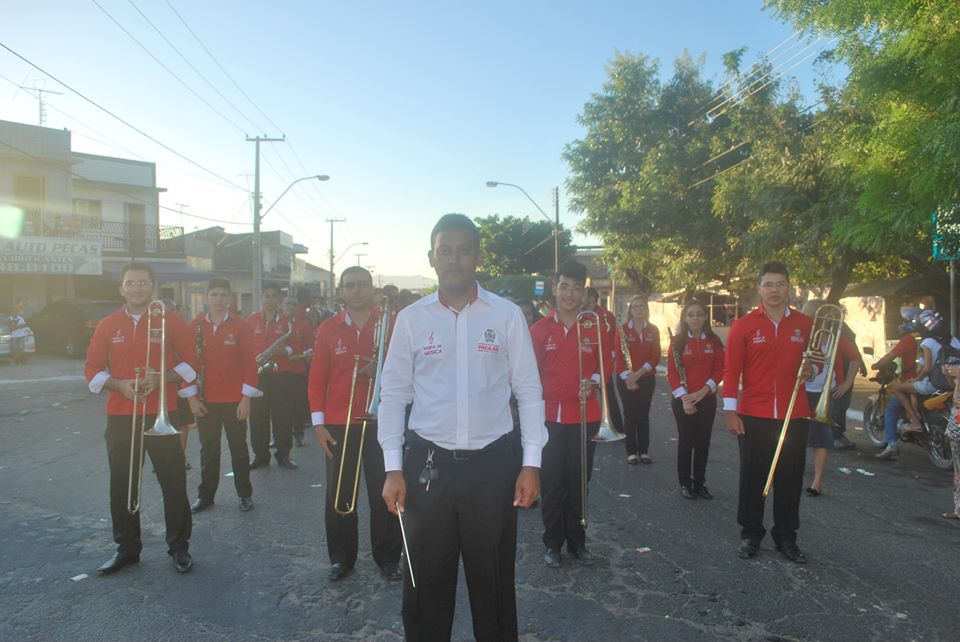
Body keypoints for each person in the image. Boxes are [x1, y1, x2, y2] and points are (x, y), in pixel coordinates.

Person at [379, 213, 546, 642]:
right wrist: (393, 469)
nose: (454, 258)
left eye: (464, 250)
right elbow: (393, 395)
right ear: (431, 257)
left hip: (493, 467)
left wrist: (531, 464)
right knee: (425, 585)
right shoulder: (412, 319)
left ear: (478, 256)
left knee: (493, 584)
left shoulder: (507, 316)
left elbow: (529, 392)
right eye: (445, 250)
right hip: (427, 467)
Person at [84, 262, 196, 575]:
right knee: (122, 484)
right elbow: (92, 369)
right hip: (122, 415)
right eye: (130, 283)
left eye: (142, 282)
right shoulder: (107, 324)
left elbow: (193, 363)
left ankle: (179, 548)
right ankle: (127, 549)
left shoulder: (171, 320)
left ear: (153, 287)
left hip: (163, 413)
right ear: (121, 289)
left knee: (174, 482)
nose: (136, 288)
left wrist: (162, 378)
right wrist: (119, 385)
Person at [310, 266, 403, 582]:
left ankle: (388, 557)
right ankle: (341, 557)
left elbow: (409, 367)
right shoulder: (328, 328)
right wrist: (318, 424)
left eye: (362, 284)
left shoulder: (390, 324)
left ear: (372, 289)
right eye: (350, 285)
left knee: (384, 490)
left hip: (382, 420)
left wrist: (381, 370)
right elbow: (316, 378)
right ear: (342, 291)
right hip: (339, 422)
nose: (356, 290)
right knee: (340, 494)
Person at [723, 261, 816, 564]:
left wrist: (812, 371)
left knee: (790, 477)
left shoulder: (805, 324)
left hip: (794, 414)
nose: (774, 290)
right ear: (759, 288)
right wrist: (730, 412)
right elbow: (732, 370)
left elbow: (818, 363)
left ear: (788, 286)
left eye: (780, 284)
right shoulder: (744, 325)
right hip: (754, 414)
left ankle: (786, 537)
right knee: (753, 477)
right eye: (768, 285)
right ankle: (750, 533)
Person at [531, 261, 611, 569]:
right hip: (549, 417)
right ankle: (552, 543)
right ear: (554, 288)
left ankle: (578, 542)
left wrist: (593, 380)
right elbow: (528, 375)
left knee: (579, 482)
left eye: (577, 288)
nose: (570, 294)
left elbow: (606, 364)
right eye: (564, 286)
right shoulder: (539, 330)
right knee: (552, 483)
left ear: (584, 293)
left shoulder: (594, 326)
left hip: (585, 415)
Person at [183, 278, 259, 514]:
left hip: (235, 401)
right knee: (208, 450)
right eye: (214, 294)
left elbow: (250, 364)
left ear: (229, 298)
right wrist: (191, 399)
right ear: (207, 297)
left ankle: (244, 495)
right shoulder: (195, 326)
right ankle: (205, 496)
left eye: (223, 295)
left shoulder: (241, 326)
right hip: (205, 400)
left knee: (239, 449)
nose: (218, 299)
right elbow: (186, 365)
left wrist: (246, 399)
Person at [799, 300, 861, 497]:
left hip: (826, 393)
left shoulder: (837, 339)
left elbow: (856, 358)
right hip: (801, 392)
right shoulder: (802, 337)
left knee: (822, 438)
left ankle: (817, 482)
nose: (827, 322)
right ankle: (792, 473)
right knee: (795, 436)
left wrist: (847, 383)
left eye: (831, 318)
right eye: (823, 317)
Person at [666, 299, 724, 500]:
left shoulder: (714, 341)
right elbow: (672, 372)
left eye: (699, 314)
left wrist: (705, 390)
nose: (695, 318)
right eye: (691, 315)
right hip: (684, 399)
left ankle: (700, 482)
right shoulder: (677, 342)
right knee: (686, 441)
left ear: (705, 316)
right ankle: (685, 482)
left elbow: (720, 368)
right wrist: (685, 398)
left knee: (703, 442)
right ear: (685, 318)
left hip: (706, 398)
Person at [247, 283, 301, 470]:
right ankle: (260, 455)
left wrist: (285, 350)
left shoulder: (287, 322)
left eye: (274, 296)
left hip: (281, 374)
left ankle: (284, 454)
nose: (270, 300)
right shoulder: (251, 320)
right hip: (258, 374)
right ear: (261, 298)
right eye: (267, 296)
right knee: (257, 416)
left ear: (279, 300)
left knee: (282, 415)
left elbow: (297, 346)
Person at [890, 310, 960, 433]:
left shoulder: (927, 342)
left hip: (934, 383)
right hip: (953, 381)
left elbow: (927, 368)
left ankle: (915, 422)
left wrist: (916, 379)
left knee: (898, 388)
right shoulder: (954, 340)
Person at [616, 295, 661, 464]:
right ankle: (631, 451)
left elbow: (655, 356)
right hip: (626, 380)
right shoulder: (622, 330)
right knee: (630, 414)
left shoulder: (653, 330)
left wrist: (639, 374)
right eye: (635, 306)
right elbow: (619, 358)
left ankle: (643, 451)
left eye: (641, 306)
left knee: (643, 414)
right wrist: (629, 379)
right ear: (630, 310)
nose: (638, 309)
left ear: (647, 309)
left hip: (646, 378)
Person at [874, 309, 922, 458]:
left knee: (891, 410)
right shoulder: (926, 339)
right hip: (927, 380)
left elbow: (891, 356)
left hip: (911, 381)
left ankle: (892, 444)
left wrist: (876, 365)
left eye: (903, 321)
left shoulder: (908, 339)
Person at [583, 287, 623, 442]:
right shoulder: (581, 314)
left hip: (601, 360)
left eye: (585, 295)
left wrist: (609, 358)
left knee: (608, 395)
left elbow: (610, 336)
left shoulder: (605, 314)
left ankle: (617, 427)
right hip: (588, 360)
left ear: (592, 297)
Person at [283, 295, 314, 448]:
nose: (290, 306)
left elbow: (310, 348)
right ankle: (279, 435)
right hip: (280, 371)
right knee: (281, 406)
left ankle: (299, 434)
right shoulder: (278, 322)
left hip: (298, 370)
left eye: (293, 304)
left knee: (298, 405)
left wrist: (301, 356)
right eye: (287, 303)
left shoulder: (304, 324)